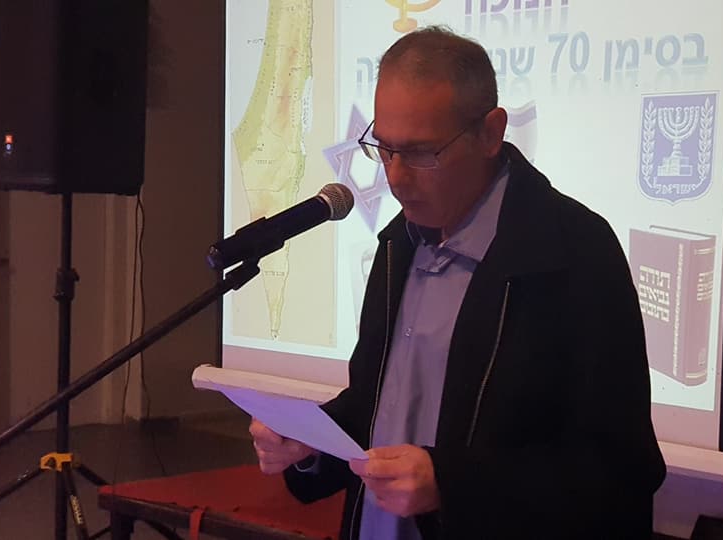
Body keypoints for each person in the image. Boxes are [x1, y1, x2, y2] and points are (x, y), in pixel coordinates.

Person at [250, 26, 666, 539]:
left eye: (421, 153)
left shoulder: (574, 251)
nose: (396, 178)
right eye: (385, 149)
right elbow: (381, 409)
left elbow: (622, 469)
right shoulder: (397, 244)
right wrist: (310, 443)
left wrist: (451, 484)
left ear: (491, 132)